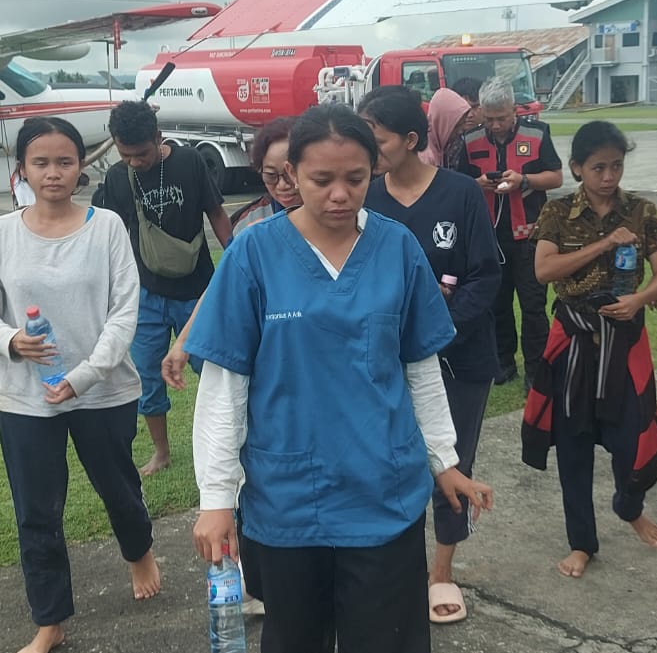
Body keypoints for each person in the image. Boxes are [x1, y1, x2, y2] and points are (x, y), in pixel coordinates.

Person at [187, 104, 494, 653]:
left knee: (387, 640)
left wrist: (443, 461)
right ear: (291, 175)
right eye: (320, 180)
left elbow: (420, 366)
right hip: (286, 497)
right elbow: (224, 385)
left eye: (354, 179)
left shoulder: (397, 247)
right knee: (294, 637)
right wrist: (216, 497)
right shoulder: (253, 254)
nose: (338, 195)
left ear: (374, 169)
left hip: (383, 490)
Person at [0, 117, 160, 653]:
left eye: (65, 162)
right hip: (25, 398)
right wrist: (9, 340)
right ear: (21, 168)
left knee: (118, 488)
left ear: (81, 167)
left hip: (103, 389)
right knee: (37, 510)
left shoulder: (107, 227)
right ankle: (50, 619)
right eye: (41, 162)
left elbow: (123, 313)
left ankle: (139, 552)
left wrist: (83, 376)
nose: (53, 173)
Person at [359, 85, 501, 623]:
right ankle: (394, 568)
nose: (368, 154)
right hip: (386, 361)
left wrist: (438, 325)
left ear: (413, 140)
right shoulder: (368, 199)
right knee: (389, 466)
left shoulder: (461, 193)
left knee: (452, 462)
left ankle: (442, 572)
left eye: (378, 141)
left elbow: (487, 274)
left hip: (459, 358)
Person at [161, 115, 302, 619]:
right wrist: (182, 342)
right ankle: (247, 578)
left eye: (293, 172)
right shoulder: (249, 226)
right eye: (271, 176)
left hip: (307, 380)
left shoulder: (350, 220)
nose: (285, 186)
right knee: (240, 472)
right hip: (258, 373)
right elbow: (222, 295)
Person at [524, 120, 657, 578]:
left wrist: (641, 299)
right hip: (572, 339)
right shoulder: (557, 212)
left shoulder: (642, 211)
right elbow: (544, 272)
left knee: (636, 438)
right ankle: (582, 543)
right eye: (598, 167)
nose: (609, 176)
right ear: (576, 168)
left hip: (625, 339)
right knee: (574, 445)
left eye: (616, 166)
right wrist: (605, 242)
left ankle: (629, 506)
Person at [93, 100, 233, 476]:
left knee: (216, 373)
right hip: (147, 295)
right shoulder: (118, 178)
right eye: (126, 154)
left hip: (198, 291)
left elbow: (216, 212)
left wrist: (235, 261)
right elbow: (117, 235)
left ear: (158, 137)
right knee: (149, 377)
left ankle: (227, 445)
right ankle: (161, 452)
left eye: (141, 153)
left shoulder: (188, 162)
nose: (135, 162)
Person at [458, 76, 564, 386]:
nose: (495, 125)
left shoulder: (537, 132)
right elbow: (461, 182)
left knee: (533, 306)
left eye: (501, 118)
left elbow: (556, 177)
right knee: (497, 304)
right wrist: (477, 185)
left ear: (514, 110)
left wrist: (525, 181)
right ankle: (503, 364)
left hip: (530, 235)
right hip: (490, 236)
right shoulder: (471, 139)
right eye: (489, 119)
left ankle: (536, 371)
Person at [228, 116, 300, 235]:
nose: (282, 185)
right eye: (271, 175)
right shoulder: (246, 223)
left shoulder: (335, 216)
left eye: (290, 174)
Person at [420, 87, 477, 171]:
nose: (460, 131)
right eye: (456, 126)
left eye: (463, 124)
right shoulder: (426, 156)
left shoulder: (441, 147)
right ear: (442, 123)